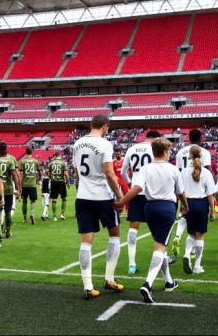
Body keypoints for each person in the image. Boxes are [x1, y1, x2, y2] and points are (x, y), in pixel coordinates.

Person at [117, 138, 187, 303]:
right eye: (169, 151)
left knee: (160, 245)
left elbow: (137, 188)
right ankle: (147, 284)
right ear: (164, 152)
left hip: (150, 208)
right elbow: (181, 192)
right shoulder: (173, 169)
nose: (170, 153)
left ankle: (169, 282)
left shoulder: (144, 169)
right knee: (159, 247)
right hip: (167, 208)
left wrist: (122, 201)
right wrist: (186, 206)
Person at [72, 114, 125, 299]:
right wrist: (120, 197)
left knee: (86, 243)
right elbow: (110, 174)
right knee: (115, 236)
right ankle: (109, 279)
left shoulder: (77, 143)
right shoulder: (105, 144)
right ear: (105, 127)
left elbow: (77, 171)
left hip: (83, 197)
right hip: (103, 197)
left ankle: (87, 286)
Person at [121, 130, 160, 275]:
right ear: (156, 139)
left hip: (135, 192)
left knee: (133, 228)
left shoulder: (132, 149)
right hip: (151, 192)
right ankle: (162, 256)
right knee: (156, 226)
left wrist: (131, 183)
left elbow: (123, 171)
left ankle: (131, 264)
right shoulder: (155, 149)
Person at [171, 129, 213, 261]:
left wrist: (178, 200)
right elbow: (209, 190)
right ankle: (196, 262)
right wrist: (213, 209)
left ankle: (183, 248)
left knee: (189, 228)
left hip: (186, 198)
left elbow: (177, 178)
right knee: (199, 233)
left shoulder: (180, 154)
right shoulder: (205, 158)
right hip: (201, 201)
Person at [179, 146, 216, 274]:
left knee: (191, 234)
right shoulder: (206, 172)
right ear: (201, 155)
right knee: (200, 235)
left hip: (188, 203)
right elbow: (210, 194)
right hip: (201, 204)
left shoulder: (183, 171)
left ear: (189, 155)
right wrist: (213, 211)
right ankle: (197, 265)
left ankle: (187, 254)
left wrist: (182, 205)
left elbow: (180, 191)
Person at [0, 142, 20, 238]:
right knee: (7, 211)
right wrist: (18, 188)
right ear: (6, 149)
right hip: (8, 189)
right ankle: (8, 231)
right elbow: (15, 174)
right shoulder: (11, 160)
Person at [18, 147, 41, 225]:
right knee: (33, 201)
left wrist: (19, 185)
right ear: (32, 152)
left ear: (26, 152)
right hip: (32, 184)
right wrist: (37, 180)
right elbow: (40, 173)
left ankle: (24, 218)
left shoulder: (22, 162)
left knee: (24, 201)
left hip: (24, 184)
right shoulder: (36, 161)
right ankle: (32, 214)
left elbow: (21, 174)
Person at [47, 153, 69, 221]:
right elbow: (66, 174)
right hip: (61, 182)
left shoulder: (51, 163)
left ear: (54, 156)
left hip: (53, 182)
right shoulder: (63, 163)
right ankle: (62, 215)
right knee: (64, 198)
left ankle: (54, 216)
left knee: (54, 200)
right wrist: (68, 182)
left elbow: (49, 174)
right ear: (59, 156)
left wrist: (52, 179)